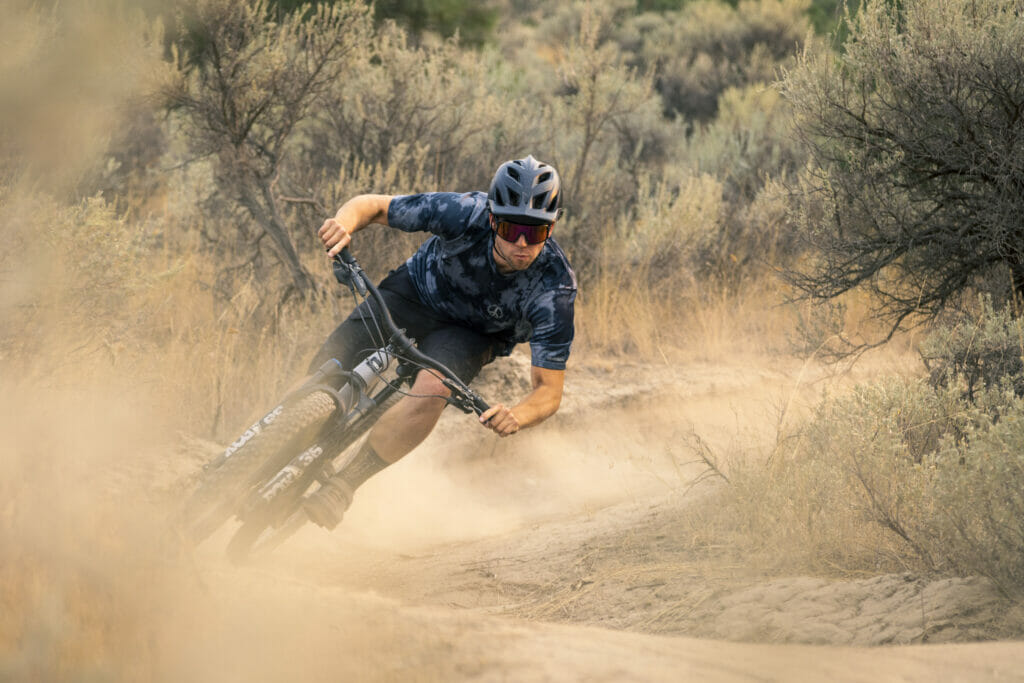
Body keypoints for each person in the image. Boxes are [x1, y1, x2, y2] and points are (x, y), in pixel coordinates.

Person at [302, 155, 577, 529]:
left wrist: (519, 415)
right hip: (416, 291)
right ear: (493, 219)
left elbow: (549, 390)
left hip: (473, 334)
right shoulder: (464, 212)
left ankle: (344, 485)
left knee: (434, 388)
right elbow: (374, 206)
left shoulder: (554, 290)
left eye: (538, 232)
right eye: (513, 230)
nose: (524, 244)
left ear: (553, 226)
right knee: (328, 367)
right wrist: (343, 227)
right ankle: (277, 439)